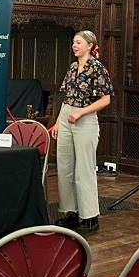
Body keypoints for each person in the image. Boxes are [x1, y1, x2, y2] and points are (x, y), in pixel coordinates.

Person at [50, 30, 113, 234]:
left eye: (78, 42)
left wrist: (80, 114)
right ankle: (71, 211)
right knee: (65, 166)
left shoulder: (97, 68)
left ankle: (89, 215)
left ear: (89, 45)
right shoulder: (72, 67)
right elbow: (67, 97)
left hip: (84, 118)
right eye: (74, 42)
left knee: (84, 169)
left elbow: (105, 99)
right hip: (67, 115)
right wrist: (59, 122)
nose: (74, 46)